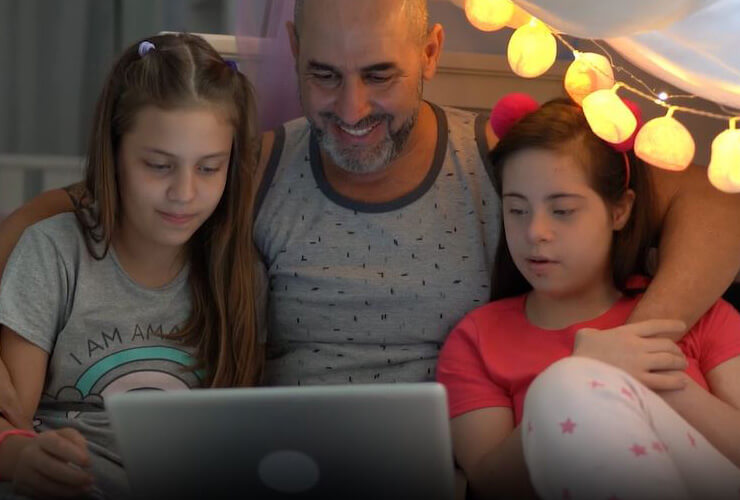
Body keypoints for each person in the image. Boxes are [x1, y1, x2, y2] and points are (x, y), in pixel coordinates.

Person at [1, 0, 739, 386]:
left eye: (379, 76)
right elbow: (58, 212)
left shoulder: (499, 156)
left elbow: (718, 203)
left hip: (458, 449)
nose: (350, 110)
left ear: (430, 54)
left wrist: (642, 336)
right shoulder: (250, 166)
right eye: (324, 75)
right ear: (293, 52)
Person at [0, 33, 264, 498]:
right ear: (115, 153)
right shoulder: (52, 254)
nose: (183, 193)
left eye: (209, 168)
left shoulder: (239, 273)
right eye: (159, 165)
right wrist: (21, 456)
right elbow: (10, 418)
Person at [437, 98, 740, 499]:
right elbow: (492, 485)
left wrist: (649, 378)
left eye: (562, 211)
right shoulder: (477, 339)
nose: (535, 232)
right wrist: (581, 371)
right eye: (517, 210)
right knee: (565, 382)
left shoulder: (698, 313)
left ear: (619, 211)